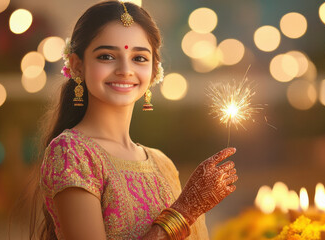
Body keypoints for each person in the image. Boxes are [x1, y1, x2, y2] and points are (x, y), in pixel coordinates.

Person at [33, 1, 238, 239]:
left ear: (154, 71)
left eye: (139, 58)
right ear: (77, 66)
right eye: (107, 56)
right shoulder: (72, 153)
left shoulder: (163, 164)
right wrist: (184, 212)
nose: (125, 70)